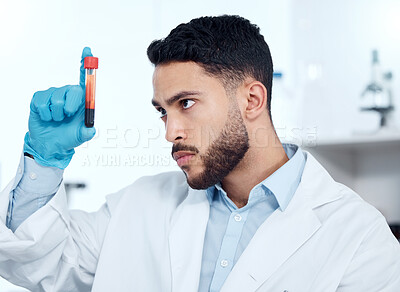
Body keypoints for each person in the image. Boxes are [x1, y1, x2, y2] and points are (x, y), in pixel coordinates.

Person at [0, 15, 399, 292]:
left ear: (253, 99)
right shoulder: (140, 206)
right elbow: (42, 261)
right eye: (162, 111)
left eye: (186, 103)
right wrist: (44, 162)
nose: (171, 131)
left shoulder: (358, 237)